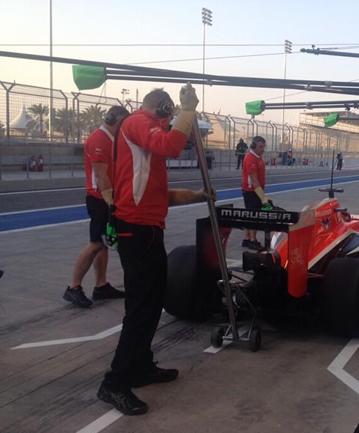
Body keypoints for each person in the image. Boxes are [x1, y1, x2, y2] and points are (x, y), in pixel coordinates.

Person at [97, 85, 215, 416]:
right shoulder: (138, 121)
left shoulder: (146, 148)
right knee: (140, 308)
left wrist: (195, 196)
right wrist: (188, 112)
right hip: (136, 229)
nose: (169, 122)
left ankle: (140, 366)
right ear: (162, 107)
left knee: (151, 304)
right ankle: (114, 383)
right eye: (170, 114)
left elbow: (159, 195)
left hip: (147, 229)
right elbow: (172, 145)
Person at [63, 105, 130, 308]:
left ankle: (101, 285)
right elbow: (100, 174)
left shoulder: (110, 138)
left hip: (107, 198)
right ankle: (73, 287)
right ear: (115, 120)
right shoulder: (99, 139)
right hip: (100, 198)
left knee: (103, 242)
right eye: (123, 123)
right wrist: (110, 201)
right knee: (95, 243)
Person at [241, 136, 268, 250]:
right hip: (251, 191)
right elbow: (254, 180)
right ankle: (253, 240)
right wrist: (263, 198)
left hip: (255, 190)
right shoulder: (251, 158)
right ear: (253, 146)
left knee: (250, 215)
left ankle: (247, 238)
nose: (263, 149)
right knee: (254, 216)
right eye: (261, 147)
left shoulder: (258, 157)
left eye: (264, 146)